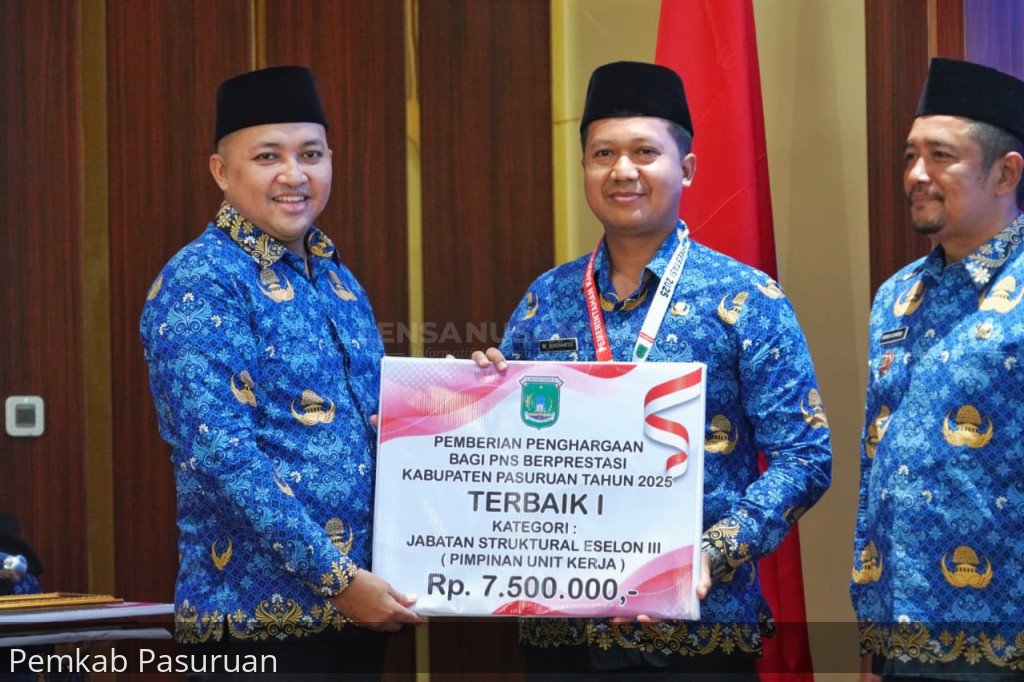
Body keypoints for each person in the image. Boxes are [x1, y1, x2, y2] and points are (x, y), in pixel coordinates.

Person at [475, 61, 832, 679]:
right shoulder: (545, 299)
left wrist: (711, 553)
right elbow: (507, 454)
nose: (622, 171)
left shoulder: (747, 299)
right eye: (603, 153)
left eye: (645, 152)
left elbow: (805, 456)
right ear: (584, 167)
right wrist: (474, 402)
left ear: (686, 168)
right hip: (562, 634)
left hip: (698, 631)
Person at [140, 65, 421, 678]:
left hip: (358, 615)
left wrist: (463, 407)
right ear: (221, 171)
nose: (294, 176)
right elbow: (224, 459)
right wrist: (338, 579)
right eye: (268, 156)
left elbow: (377, 429)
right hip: (254, 628)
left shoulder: (339, 280)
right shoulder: (202, 282)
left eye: (311, 155)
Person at [851, 58, 1024, 682]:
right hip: (902, 628)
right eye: (910, 156)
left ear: (1005, 173)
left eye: (940, 156)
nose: (916, 175)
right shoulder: (896, 296)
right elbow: (877, 461)